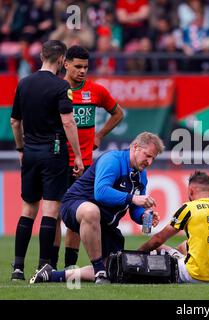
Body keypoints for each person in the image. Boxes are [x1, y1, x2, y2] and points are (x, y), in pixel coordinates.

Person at [29, 132, 164, 284]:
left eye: (153, 158)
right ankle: (99, 271)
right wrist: (133, 198)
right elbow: (101, 193)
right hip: (76, 204)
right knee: (91, 211)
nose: (150, 161)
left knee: (115, 269)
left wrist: (143, 216)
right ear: (135, 147)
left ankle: (52, 275)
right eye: (148, 155)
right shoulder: (113, 160)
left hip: (105, 223)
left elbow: (135, 209)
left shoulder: (142, 176)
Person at [10, 40, 84, 281]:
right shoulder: (61, 87)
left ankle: (17, 268)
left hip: (30, 152)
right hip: (53, 152)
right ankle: (44, 267)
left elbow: (15, 122)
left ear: (41, 56)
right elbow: (68, 122)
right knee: (50, 210)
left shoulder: (24, 83)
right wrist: (78, 156)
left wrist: (21, 149)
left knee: (28, 209)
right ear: (63, 60)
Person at [51, 45, 125, 270]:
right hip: (58, 160)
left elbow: (118, 112)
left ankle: (70, 266)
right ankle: (50, 265)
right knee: (53, 213)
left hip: (84, 166)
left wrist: (100, 134)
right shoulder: (56, 89)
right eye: (78, 66)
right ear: (66, 64)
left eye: (85, 67)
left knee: (75, 215)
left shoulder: (95, 90)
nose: (82, 71)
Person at [138, 170, 209, 283]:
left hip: (193, 276)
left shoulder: (189, 208)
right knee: (184, 245)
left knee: (159, 247)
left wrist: (139, 251)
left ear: (190, 191)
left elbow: (158, 239)